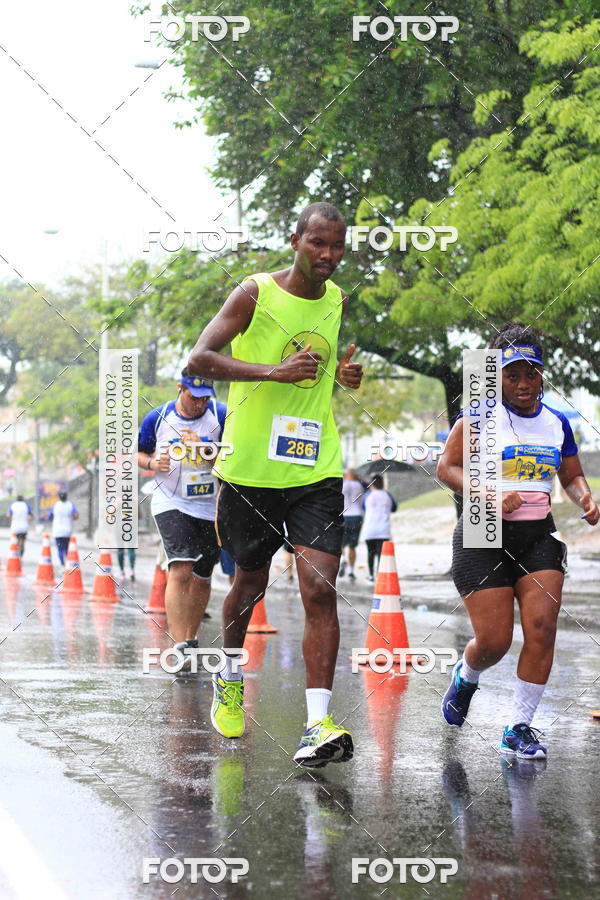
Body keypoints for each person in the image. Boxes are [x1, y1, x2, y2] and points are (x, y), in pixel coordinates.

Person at [188, 201, 363, 766]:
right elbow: (200, 359)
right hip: (249, 471)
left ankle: (317, 724)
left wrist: (342, 375)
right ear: (295, 240)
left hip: (315, 467)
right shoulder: (254, 293)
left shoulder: (336, 300)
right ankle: (231, 677)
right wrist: (272, 372)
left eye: (337, 246)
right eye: (318, 244)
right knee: (249, 584)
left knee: (319, 588)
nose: (328, 256)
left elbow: (315, 372)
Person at [437, 322, 599, 759]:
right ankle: (466, 675)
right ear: (495, 376)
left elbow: (571, 473)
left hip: (537, 535)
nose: (524, 384)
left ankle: (519, 727)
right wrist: (489, 493)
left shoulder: (556, 423)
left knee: (542, 629)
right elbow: (446, 469)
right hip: (482, 532)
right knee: (494, 642)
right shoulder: (478, 418)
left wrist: (584, 497)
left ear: (542, 373)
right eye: (512, 375)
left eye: (532, 373)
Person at [137, 368, 226, 658]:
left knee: (203, 572)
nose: (199, 404)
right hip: (169, 499)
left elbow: (234, 454)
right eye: (193, 397)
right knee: (181, 566)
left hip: (208, 503)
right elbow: (138, 453)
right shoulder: (159, 417)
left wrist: (205, 447)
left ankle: (191, 636)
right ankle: (179, 645)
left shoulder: (219, 414)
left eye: (204, 398)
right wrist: (152, 464)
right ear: (180, 388)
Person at [362, 475, 397, 582]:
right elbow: (394, 508)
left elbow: (363, 507)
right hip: (383, 529)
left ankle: (371, 576)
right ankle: (380, 575)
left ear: (372, 484)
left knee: (370, 553)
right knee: (381, 554)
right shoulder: (387, 495)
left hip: (370, 529)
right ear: (382, 483)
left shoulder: (367, 495)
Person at [339, 469, 365, 580]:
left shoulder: (341, 484)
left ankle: (343, 560)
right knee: (352, 545)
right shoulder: (359, 485)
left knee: (341, 543)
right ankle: (350, 571)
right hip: (357, 516)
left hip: (344, 515)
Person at [49, 491, 79, 566]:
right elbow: (76, 515)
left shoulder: (55, 505)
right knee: (66, 549)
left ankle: (62, 564)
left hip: (57, 531)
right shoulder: (70, 505)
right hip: (67, 531)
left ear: (59, 497)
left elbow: (50, 517)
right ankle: (67, 564)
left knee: (60, 549)